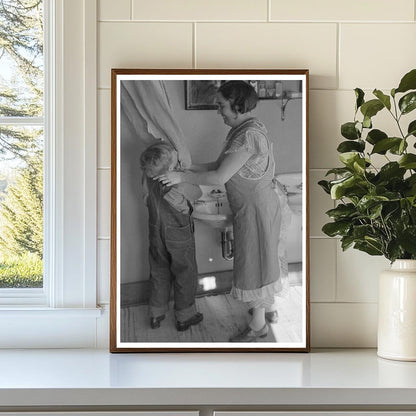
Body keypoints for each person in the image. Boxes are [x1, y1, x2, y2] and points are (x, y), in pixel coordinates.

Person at [156, 80, 287, 342]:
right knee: (258, 263)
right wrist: (187, 169)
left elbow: (218, 177)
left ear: (237, 105)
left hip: (256, 209)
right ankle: (262, 314)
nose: (219, 111)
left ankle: (258, 325)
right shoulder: (244, 129)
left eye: (222, 105)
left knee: (255, 266)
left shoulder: (248, 135)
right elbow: (218, 165)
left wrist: (182, 179)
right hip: (253, 207)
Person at [140, 141, 203, 331]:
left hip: (155, 232)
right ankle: (185, 315)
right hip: (178, 233)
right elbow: (198, 193)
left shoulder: (147, 179)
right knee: (185, 272)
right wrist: (184, 177)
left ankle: (156, 313)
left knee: (158, 270)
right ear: (170, 168)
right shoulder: (178, 182)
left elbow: (145, 198)